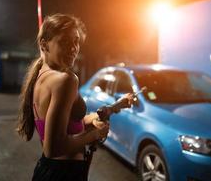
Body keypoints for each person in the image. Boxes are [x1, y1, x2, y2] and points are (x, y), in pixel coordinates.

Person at [17, 13, 133, 181]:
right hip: (65, 174)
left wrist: (115, 106)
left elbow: (69, 124)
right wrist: (95, 135)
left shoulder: (40, 77)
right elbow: (53, 147)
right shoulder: (66, 80)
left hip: (47, 171)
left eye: (76, 41)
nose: (73, 48)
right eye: (64, 42)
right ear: (44, 45)